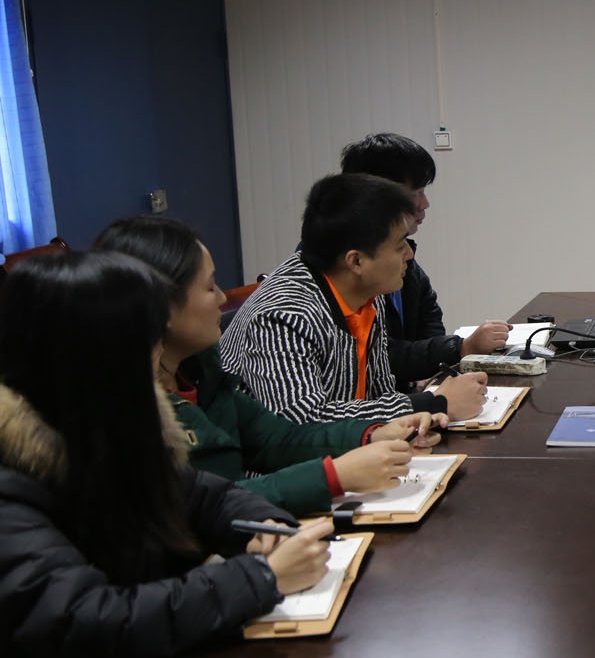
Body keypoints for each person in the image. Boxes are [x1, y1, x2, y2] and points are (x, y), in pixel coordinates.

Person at [0, 252, 332, 658]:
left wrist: (266, 527)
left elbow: (206, 496)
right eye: (145, 346)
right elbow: (87, 620)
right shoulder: (12, 482)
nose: (156, 363)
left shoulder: (101, 428)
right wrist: (261, 578)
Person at [96, 216, 447, 516]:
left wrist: (371, 434)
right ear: (163, 308)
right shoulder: (126, 411)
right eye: (209, 287)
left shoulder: (201, 371)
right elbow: (206, 507)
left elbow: (275, 439)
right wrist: (333, 477)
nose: (222, 298)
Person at [221, 173, 487, 423]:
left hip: (354, 447)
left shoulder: (365, 291)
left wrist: (417, 416)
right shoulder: (283, 316)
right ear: (356, 261)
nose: (409, 254)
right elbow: (302, 422)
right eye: (399, 246)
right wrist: (432, 404)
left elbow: (378, 392)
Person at [340, 133, 511, 385]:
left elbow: (428, 316)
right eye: (416, 193)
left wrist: (430, 373)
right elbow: (375, 354)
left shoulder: (400, 253)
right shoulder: (346, 270)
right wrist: (460, 348)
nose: (425, 204)